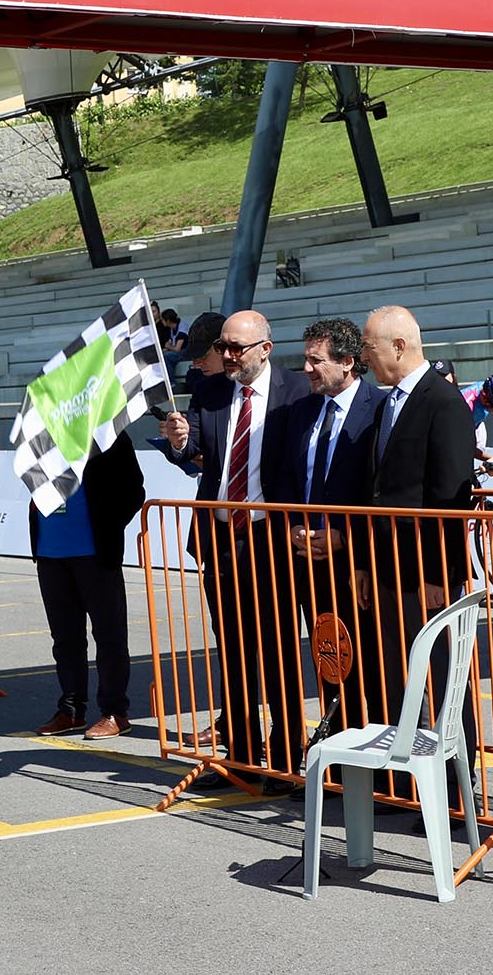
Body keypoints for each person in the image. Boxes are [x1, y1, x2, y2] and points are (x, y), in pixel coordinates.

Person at [158, 309, 309, 789]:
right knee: (235, 650)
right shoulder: (211, 390)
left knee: (280, 649)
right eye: (222, 347)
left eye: (235, 348)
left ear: (265, 348)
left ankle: (285, 758)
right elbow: (193, 450)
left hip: (272, 538)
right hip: (220, 538)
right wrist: (180, 442)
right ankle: (241, 755)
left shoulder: (297, 392)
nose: (225, 355)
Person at [359, 306, 476, 803]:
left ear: (399, 346)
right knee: (397, 675)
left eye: (370, 348)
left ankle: (457, 787)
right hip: (386, 567)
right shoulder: (390, 403)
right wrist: (364, 564)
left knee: (446, 682)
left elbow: (452, 494)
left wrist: (440, 572)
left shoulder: (443, 402)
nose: (365, 358)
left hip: (426, 573)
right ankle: (404, 778)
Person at [282, 317, 385, 737]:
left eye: (315, 360)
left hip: (360, 565)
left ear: (347, 363)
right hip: (308, 558)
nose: (306, 368)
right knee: (329, 657)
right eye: (305, 359)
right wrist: (293, 525)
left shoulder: (378, 409)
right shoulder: (301, 411)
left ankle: (380, 750)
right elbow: (288, 478)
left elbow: (378, 489)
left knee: (373, 662)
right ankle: (338, 744)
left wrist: (347, 538)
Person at [30, 432, 145, 741]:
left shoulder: (110, 435)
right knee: (65, 639)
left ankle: (114, 712)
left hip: (95, 553)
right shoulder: (41, 435)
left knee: (108, 636)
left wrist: (106, 524)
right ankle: (70, 710)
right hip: (50, 550)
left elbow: (135, 491)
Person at [174, 311, 226, 387]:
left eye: (203, 356)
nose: (196, 364)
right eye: (194, 358)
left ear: (222, 348)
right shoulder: (201, 386)